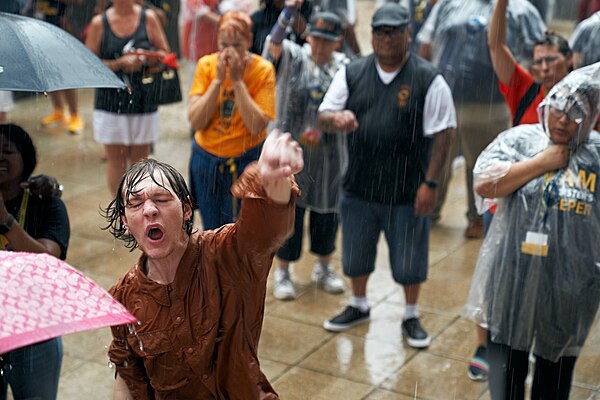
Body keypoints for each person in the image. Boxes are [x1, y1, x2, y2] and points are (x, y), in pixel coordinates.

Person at [103, 131, 303, 399]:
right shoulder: (124, 298)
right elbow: (128, 376)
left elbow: (265, 230)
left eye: (161, 199)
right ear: (125, 223)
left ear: (187, 209)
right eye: (135, 204)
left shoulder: (226, 254)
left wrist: (273, 181)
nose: (149, 210)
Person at [318, 3, 456, 349]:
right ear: (372, 35)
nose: (388, 38)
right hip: (359, 187)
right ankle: (359, 304)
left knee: (410, 262)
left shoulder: (428, 78)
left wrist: (431, 184)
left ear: (408, 34)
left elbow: (444, 135)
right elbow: (323, 114)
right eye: (381, 31)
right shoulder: (353, 72)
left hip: (408, 191)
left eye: (396, 31)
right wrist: (337, 119)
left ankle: (410, 313)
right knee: (355, 255)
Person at [463, 62, 600, 400]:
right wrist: (541, 163)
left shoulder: (596, 155)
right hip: (512, 273)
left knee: (554, 375)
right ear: (546, 105)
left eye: (576, 112)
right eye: (559, 108)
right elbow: (484, 183)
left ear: (593, 114)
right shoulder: (520, 141)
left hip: (570, 283)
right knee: (506, 372)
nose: (564, 120)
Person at [463, 1, 574, 381]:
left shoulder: (585, 99)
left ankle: (530, 344)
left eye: (551, 60)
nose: (543, 67)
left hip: (558, 207)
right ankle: (484, 344)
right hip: (510, 200)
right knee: (496, 272)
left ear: (570, 60)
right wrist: (502, 4)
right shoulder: (526, 89)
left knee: (544, 277)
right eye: (538, 60)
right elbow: (496, 46)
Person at [417, 0, 545, 238]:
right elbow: (428, 42)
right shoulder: (449, 4)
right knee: (438, 157)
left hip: (493, 105)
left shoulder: (521, 10)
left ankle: (477, 217)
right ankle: (429, 211)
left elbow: (538, 53)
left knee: (484, 164)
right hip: (446, 100)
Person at [263, 9, 348, 300]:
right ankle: (283, 272)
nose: (321, 45)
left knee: (327, 212)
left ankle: (324, 266)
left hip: (330, 155)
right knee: (290, 213)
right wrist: (287, 12)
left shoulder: (345, 67)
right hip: (290, 153)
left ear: (338, 41)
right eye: (316, 38)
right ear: (308, 35)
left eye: (328, 40)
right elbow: (273, 45)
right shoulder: (295, 56)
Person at [0, 124, 70, 400]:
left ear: (26, 158)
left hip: (34, 328)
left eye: (7, 151)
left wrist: (5, 221)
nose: (0, 158)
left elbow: (46, 260)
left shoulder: (47, 203)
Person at [188, 11, 276, 230]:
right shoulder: (207, 66)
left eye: (236, 45)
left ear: (248, 41)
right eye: (223, 44)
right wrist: (218, 81)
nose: (228, 52)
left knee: (245, 230)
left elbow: (256, 125)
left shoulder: (262, 70)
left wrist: (237, 82)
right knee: (212, 230)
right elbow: (196, 120)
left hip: (245, 160)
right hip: (207, 159)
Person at [85, 0, 171, 194]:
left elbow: (165, 54)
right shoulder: (100, 23)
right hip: (111, 102)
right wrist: (119, 64)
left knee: (141, 161)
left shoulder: (148, 17)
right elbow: (88, 64)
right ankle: (120, 211)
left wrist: (146, 58)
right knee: (116, 160)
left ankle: (138, 206)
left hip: (144, 100)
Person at [23, 0, 85, 134]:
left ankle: (74, 114)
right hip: (39, 29)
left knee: (67, 73)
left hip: (61, 29)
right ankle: (58, 110)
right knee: (48, 72)